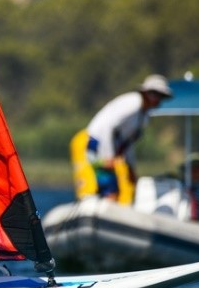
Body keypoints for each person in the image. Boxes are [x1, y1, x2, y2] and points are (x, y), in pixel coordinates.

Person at [70, 74, 173, 202]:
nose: (156, 99)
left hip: (110, 151)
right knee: (91, 187)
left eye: (160, 96)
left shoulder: (144, 117)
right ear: (145, 93)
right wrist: (109, 156)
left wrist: (131, 167)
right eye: (153, 94)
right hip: (92, 143)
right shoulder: (134, 102)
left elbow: (127, 143)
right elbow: (108, 126)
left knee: (116, 190)